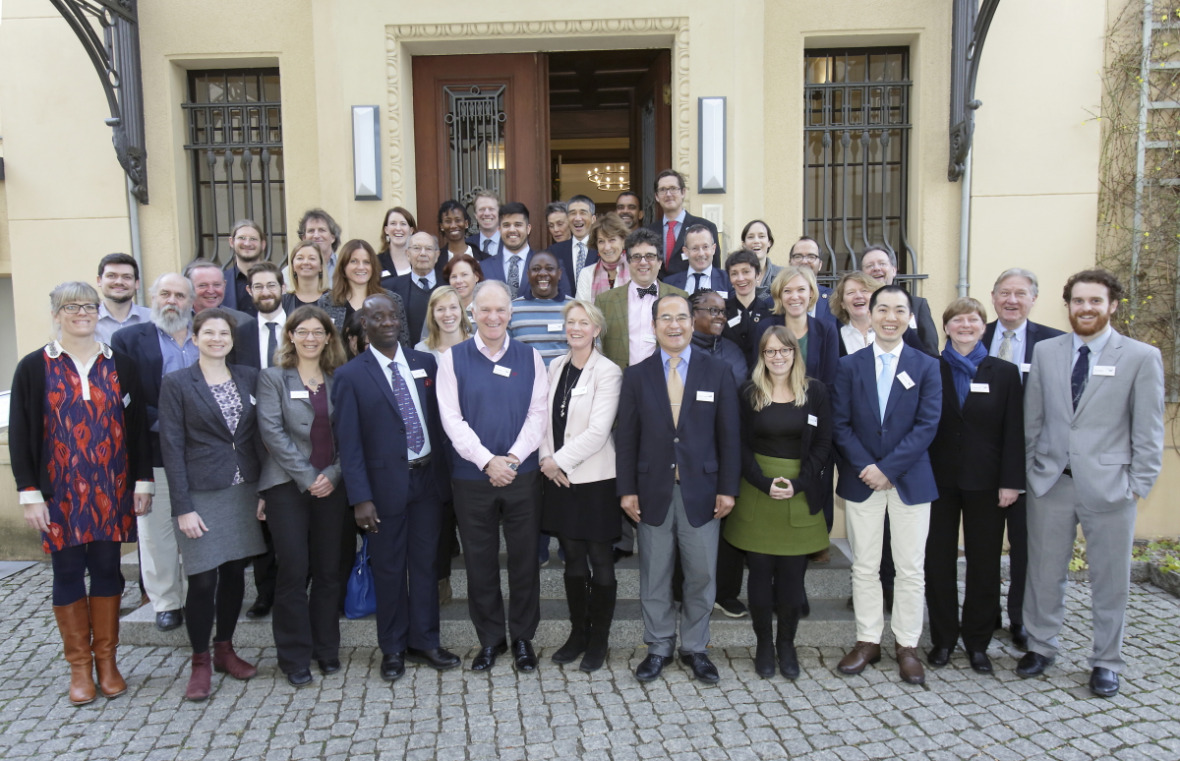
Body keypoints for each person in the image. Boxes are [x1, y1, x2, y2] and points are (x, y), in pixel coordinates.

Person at [1016, 269, 1164, 698]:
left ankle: (1106, 661)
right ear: (1068, 306)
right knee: (1044, 574)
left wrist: (1138, 483)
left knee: (1109, 579)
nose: (1086, 308)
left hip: (1111, 487)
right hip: (1052, 483)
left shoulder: (1140, 356)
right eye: (1078, 301)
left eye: (1095, 301)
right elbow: (1034, 417)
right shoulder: (1047, 352)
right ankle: (1041, 647)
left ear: (1112, 305)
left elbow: (1149, 429)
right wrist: (1030, 471)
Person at [9, 282, 153, 706]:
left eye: (89, 306)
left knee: (108, 570)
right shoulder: (35, 367)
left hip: (111, 487)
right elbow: (20, 434)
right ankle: (80, 669)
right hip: (60, 494)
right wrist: (29, 493)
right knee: (68, 572)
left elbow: (138, 432)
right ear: (56, 314)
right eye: (71, 307)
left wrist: (142, 482)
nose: (82, 313)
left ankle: (107, 663)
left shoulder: (120, 364)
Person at [333, 293, 462, 680]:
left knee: (425, 567)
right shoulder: (350, 375)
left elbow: (442, 424)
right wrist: (360, 498)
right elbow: (349, 444)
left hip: (427, 482)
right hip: (383, 489)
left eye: (393, 315)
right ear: (364, 326)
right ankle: (392, 648)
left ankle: (425, 641)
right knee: (389, 569)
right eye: (378, 317)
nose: (387, 322)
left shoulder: (426, 363)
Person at [615, 294, 740, 684]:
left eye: (681, 317)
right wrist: (626, 489)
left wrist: (728, 488)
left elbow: (730, 436)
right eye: (665, 318)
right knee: (654, 572)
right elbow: (627, 437)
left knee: (702, 574)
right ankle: (658, 646)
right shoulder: (636, 375)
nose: (674, 325)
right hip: (652, 489)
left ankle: (696, 647)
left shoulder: (716, 371)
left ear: (693, 322)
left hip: (701, 490)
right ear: (653, 326)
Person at [831, 284, 941, 686]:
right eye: (883, 309)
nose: (890, 317)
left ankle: (908, 646)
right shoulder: (849, 366)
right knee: (865, 566)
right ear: (870, 315)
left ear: (909, 317)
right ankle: (867, 640)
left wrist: (888, 469)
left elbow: (928, 425)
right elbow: (840, 425)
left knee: (910, 569)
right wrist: (868, 468)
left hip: (910, 480)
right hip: (863, 481)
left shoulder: (927, 365)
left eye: (899, 310)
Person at [437, 280, 549, 672]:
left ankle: (522, 639)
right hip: (472, 479)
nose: (493, 317)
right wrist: (488, 462)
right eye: (485, 309)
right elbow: (452, 419)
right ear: (472, 313)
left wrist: (514, 458)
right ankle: (490, 640)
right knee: (480, 562)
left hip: (523, 475)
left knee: (524, 562)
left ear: (511, 313)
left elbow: (538, 415)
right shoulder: (452, 359)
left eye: (500, 309)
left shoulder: (530, 357)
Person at [158, 307, 266, 701]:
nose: (217, 338)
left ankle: (225, 648)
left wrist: (263, 493)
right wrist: (182, 506)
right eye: (209, 332)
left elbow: (258, 438)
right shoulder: (177, 383)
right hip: (200, 493)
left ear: (232, 340)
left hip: (243, 489)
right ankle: (200, 660)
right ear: (196, 336)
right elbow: (171, 447)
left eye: (224, 333)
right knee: (203, 579)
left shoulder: (249, 377)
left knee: (236, 574)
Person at [924, 298, 1023, 675]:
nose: (965, 325)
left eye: (973, 320)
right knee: (938, 562)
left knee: (984, 563)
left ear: (985, 327)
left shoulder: (1004, 372)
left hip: (988, 483)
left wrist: (1011, 482)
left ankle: (978, 642)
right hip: (938, 481)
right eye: (957, 320)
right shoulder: (931, 369)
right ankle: (944, 639)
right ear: (946, 327)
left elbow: (1015, 431)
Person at [726, 326, 832, 679]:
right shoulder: (749, 392)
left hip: (799, 492)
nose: (778, 358)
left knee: (790, 577)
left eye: (784, 351)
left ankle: (786, 645)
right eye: (770, 352)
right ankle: (763, 646)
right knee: (758, 575)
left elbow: (823, 445)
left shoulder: (814, 391)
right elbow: (737, 444)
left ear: (794, 353)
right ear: (762, 355)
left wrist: (799, 484)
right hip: (758, 489)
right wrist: (762, 481)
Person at [256, 305, 350, 687]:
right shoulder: (272, 379)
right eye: (302, 331)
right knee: (294, 570)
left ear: (329, 337)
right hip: (286, 488)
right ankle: (293, 656)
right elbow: (272, 432)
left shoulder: (340, 379)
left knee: (330, 571)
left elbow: (351, 435)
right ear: (290, 336)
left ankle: (325, 648)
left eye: (318, 331)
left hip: (333, 486)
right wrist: (309, 477)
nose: (310, 338)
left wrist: (331, 474)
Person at [538, 300, 623, 672]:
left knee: (600, 562)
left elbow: (598, 431)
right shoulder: (555, 365)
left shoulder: (608, 372)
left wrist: (558, 460)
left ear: (596, 330)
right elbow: (542, 419)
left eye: (583, 323)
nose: (576, 328)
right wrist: (545, 460)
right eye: (571, 322)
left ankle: (599, 640)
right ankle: (578, 632)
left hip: (595, 480)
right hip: (558, 479)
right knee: (572, 560)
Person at [110, 273, 198, 632]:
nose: (172, 300)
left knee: (200, 529)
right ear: (151, 297)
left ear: (191, 302)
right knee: (157, 529)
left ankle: (197, 595)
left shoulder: (207, 333)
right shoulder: (129, 339)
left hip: (202, 451)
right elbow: (124, 399)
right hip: (154, 447)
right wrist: (171, 423)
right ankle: (165, 601)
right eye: (165, 293)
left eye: (180, 294)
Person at [982, 267, 1064, 649]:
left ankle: (1021, 620)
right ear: (993, 296)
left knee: (1025, 549)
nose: (1011, 300)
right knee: (983, 547)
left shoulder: (1054, 345)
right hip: (983, 462)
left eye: (1020, 294)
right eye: (1004, 293)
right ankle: (985, 615)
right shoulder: (972, 337)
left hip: (1032, 466)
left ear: (1033, 299)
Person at [688, 288, 747, 619]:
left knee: (727, 524)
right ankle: (685, 591)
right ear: (693, 313)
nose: (720, 316)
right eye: (711, 310)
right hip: (691, 452)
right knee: (689, 522)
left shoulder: (735, 353)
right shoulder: (678, 351)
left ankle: (726, 591)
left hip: (728, 449)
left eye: (723, 310)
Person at [413, 286, 473, 605]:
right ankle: (441, 581)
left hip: (473, 439)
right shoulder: (421, 351)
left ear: (462, 309)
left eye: (453, 307)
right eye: (440, 309)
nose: (448, 314)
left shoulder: (477, 345)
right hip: (435, 440)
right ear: (432, 314)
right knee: (439, 508)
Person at [242, 261, 288, 619]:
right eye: (258, 287)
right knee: (263, 515)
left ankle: (301, 584)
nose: (266, 292)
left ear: (282, 287)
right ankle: (264, 591)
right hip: (254, 435)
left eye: (271, 285)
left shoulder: (303, 325)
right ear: (249, 292)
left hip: (300, 431)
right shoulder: (238, 334)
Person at [596, 227, 687, 370]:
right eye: (637, 257)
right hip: (620, 383)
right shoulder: (604, 301)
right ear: (628, 261)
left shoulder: (681, 298)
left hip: (667, 382)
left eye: (650, 256)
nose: (643, 262)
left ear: (660, 261)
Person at [753, 266, 838, 386]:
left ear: (811, 293)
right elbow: (759, 374)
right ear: (779, 296)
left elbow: (830, 380)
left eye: (801, 289)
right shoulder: (765, 328)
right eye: (787, 291)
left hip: (815, 402)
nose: (794, 296)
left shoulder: (826, 330)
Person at [859, 246, 938, 355]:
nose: (876, 268)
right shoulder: (857, 308)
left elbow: (931, 352)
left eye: (882, 264)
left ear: (894, 270)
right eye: (869, 265)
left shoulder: (917, 305)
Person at [184, 259, 260, 367]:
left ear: (224, 285)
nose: (211, 290)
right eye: (203, 285)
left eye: (216, 285)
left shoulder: (243, 322)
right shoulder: (179, 323)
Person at [645, 169, 720, 278]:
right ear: (656, 196)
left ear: (683, 192)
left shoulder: (706, 227)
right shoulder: (648, 232)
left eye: (673, 189)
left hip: (694, 292)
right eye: (663, 190)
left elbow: (715, 271)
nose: (668, 194)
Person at [316, 239, 392, 333]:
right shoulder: (327, 302)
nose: (361, 267)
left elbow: (403, 343)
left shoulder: (391, 300)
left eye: (366, 262)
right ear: (343, 266)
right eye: (354, 261)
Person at [508, 250, 569, 366]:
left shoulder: (575, 308)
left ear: (559, 274)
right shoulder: (511, 310)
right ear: (528, 275)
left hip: (564, 382)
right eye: (536, 269)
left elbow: (589, 350)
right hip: (526, 382)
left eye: (549, 268)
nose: (542, 273)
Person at [385, 231, 442, 343]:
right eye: (416, 248)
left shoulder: (450, 285)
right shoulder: (390, 289)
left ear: (437, 255)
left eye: (429, 249)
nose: (423, 253)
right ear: (407, 254)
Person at [721, 249, 774, 361]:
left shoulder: (770, 313)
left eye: (746, 272)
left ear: (758, 274)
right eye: (734, 273)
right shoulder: (721, 312)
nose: (740, 278)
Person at [542, 195, 597, 298]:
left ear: (593, 219)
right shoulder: (553, 252)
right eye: (572, 213)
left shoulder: (602, 249)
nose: (577, 218)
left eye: (583, 213)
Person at [690, 290, 746, 387]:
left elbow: (740, 386)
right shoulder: (678, 349)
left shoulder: (733, 351)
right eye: (714, 310)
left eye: (723, 312)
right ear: (692, 314)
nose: (721, 317)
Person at [481, 202, 535, 299]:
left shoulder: (546, 265)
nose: (512, 230)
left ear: (528, 229)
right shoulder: (484, 267)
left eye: (518, 225)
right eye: (506, 225)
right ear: (499, 229)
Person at [95, 253, 151, 343]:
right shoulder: (86, 320)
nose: (119, 282)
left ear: (137, 283)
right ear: (99, 280)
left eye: (126, 277)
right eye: (111, 276)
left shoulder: (153, 320)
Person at [575, 212, 630, 303]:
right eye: (601, 241)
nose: (607, 247)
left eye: (612, 240)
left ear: (623, 241)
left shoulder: (636, 271)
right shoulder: (586, 274)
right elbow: (581, 310)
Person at [665, 225, 732, 296]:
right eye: (695, 248)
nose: (701, 253)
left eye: (705, 247)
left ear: (713, 249)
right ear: (686, 251)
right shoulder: (670, 283)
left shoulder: (728, 280)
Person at [221, 219, 267, 314]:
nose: (247, 243)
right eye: (242, 238)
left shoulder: (277, 279)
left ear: (263, 244)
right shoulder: (220, 281)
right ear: (231, 242)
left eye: (253, 239)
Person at [831, 271, 882, 357]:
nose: (858, 296)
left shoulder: (892, 331)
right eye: (851, 292)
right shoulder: (833, 339)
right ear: (842, 303)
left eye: (864, 291)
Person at [787, 237, 835, 323]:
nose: (804, 261)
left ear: (820, 264)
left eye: (811, 257)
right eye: (798, 256)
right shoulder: (774, 301)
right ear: (790, 262)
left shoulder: (834, 299)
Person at [298, 208, 342, 285]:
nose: (316, 235)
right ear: (304, 238)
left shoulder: (344, 266)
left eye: (322, 230)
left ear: (333, 237)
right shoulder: (293, 270)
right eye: (311, 231)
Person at [283, 240, 328, 311]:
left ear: (321, 266)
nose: (306, 262)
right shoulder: (283, 302)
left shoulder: (335, 301)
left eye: (312, 258)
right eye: (300, 258)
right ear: (293, 266)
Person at [741, 220, 781, 299]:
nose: (756, 241)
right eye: (750, 237)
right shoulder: (734, 276)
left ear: (769, 242)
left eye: (761, 236)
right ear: (744, 244)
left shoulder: (781, 275)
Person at [377, 206, 416, 279]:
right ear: (386, 230)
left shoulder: (419, 260)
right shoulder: (376, 262)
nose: (398, 228)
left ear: (411, 230)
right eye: (393, 223)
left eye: (403, 224)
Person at [466, 191, 501, 259]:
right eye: (482, 209)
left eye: (491, 209)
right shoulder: (467, 245)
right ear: (475, 215)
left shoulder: (511, 244)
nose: (487, 213)